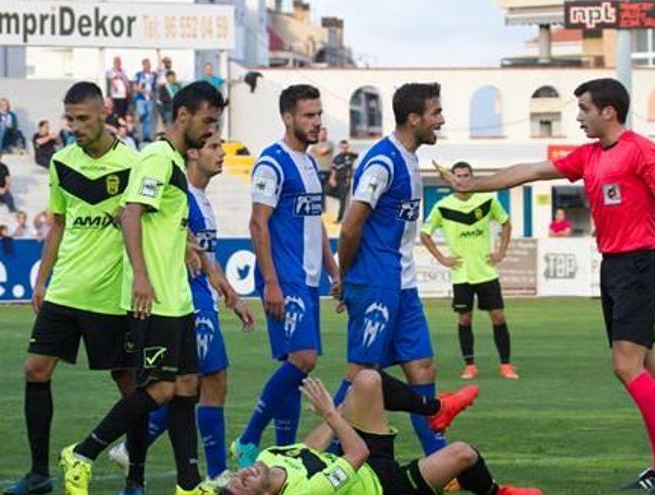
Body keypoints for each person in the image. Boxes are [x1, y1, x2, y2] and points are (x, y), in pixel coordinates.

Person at [438, 78, 655, 493]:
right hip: (614, 267)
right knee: (648, 366)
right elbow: (532, 171)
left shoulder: (641, 150)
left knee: (625, 366)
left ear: (608, 111)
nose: (578, 116)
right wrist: (473, 185)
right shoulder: (589, 155)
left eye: (584, 108)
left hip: (639, 267)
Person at [58, 81, 227, 495]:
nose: (211, 131)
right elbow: (130, 214)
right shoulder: (156, 157)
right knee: (162, 389)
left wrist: (186, 247)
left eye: (216, 123)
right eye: (207, 122)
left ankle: (189, 484)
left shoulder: (170, 160)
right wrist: (140, 274)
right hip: (158, 301)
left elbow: (150, 218)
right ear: (183, 117)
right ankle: (82, 452)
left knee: (189, 386)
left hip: (179, 298)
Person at [1, 82, 140, 495]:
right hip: (65, 289)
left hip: (109, 292)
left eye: (83, 118)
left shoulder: (133, 163)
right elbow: (59, 223)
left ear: (104, 114)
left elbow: (143, 225)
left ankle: (136, 479)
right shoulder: (62, 162)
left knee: (129, 384)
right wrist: (42, 279)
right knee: (35, 370)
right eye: (71, 119)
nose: (75, 127)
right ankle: (39, 474)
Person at [109, 132, 256, 483]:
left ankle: (137, 449)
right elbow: (122, 213)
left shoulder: (202, 199)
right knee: (205, 380)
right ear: (191, 153)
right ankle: (216, 472)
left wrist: (228, 291)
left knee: (196, 384)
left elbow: (206, 254)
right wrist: (184, 245)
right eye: (213, 146)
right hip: (181, 296)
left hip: (202, 295)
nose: (222, 153)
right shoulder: (176, 189)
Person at [231, 84, 340, 468]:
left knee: (296, 366)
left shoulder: (311, 164)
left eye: (319, 114)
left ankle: (282, 455)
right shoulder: (271, 163)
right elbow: (257, 223)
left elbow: (317, 224)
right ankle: (247, 438)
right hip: (285, 276)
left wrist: (333, 270)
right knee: (304, 358)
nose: (316, 122)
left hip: (308, 278)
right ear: (288, 117)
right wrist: (271, 281)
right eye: (308, 115)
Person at [335, 82, 446, 457]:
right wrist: (344, 275)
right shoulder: (382, 162)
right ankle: (321, 458)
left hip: (403, 282)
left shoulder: (410, 158)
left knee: (422, 368)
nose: (441, 120)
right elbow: (350, 226)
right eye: (435, 113)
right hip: (375, 281)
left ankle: (438, 460)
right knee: (361, 374)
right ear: (413, 118)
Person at [217, 372, 539, 495]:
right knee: (463, 453)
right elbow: (358, 454)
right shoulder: (303, 494)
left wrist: (339, 411)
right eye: (242, 487)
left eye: (236, 477)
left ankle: (436, 409)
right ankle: (495, 492)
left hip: (355, 461)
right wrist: (332, 412)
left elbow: (307, 451)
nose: (243, 475)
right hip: (385, 487)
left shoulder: (267, 456)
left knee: (367, 380)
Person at [420, 162, 516, 380]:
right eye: (458, 176)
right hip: (461, 274)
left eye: (465, 176)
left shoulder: (487, 200)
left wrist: (501, 251)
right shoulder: (442, 206)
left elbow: (506, 223)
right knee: (464, 319)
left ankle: (506, 365)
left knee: (498, 316)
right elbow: (424, 235)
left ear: (472, 178)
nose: (462, 180)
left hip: (486, 272)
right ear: (452, 179)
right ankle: (470, 365)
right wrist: (442, 258)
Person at [329, 139, 357, 222]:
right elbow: (334, 169)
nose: (344, 148)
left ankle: (340, 218)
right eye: (342, 146)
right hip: (338, 179)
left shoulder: (350, 155)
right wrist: (332, 178)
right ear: (340, 147)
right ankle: (342, 217)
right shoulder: (337, 158)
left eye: (345, 146)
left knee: (344, 200)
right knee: (327, 190)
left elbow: (356, 155)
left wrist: (350, 151)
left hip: (346, 179)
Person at [134, 57, 158, 143]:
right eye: (146, 64)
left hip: (150, 100)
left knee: (148, 119)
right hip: (141, 98)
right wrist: (144, 91)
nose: (148, 66)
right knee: (142, 113)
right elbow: (135, 87)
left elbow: (156, 85)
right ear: (143, 65)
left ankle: (146, 136)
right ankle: (140, 119)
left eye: (149, 64)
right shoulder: (138, 75)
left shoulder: (153, 75)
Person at [310, 126, 334, 209]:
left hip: (326, 170)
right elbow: (310, 155)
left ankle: (323, 209)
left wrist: (316, 151)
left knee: (325, 191)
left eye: (324, 134)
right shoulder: (315, 144)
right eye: (321, 133)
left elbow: (322, 152)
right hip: (317, 170)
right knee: (317, 190)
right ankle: (319, 208)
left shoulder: (329, 143)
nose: (322, 135)